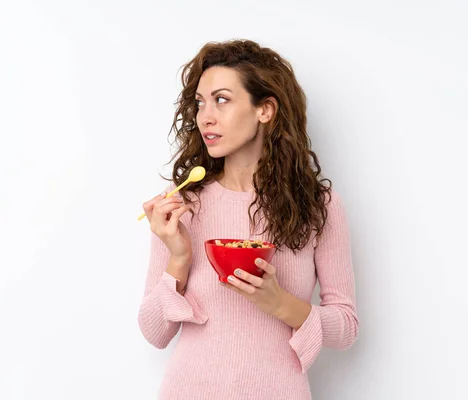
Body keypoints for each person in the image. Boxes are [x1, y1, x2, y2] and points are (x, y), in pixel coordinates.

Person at [138, 39, 359, 400]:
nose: (205, 116)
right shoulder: (182, 204)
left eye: (222, 99)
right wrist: (179, 257)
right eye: (200, 103)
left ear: (265, 110)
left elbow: (347, 327)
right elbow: (153, 332)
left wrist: (280, 304)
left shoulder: (319, 205)